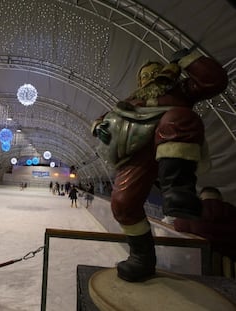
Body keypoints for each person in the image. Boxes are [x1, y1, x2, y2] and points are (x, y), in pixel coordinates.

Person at [91, 49, 228, 282]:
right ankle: (141, 258)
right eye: (145, 76)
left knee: (177, 119)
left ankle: (178, 190)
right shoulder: (131, 102)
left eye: (155, 72)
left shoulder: (180, 91)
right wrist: (97, 126)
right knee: (123, 204)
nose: (150, 78)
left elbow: (214, 81)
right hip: (134, 154)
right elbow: (103, 118)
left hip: (169, 139)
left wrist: (188, 59)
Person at [174, 187, 236, 260]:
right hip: (230, 262)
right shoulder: (232, 210)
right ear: (221, 198)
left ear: (200, 199)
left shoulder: (191, 211)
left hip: (199, 261)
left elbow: (177, 225)